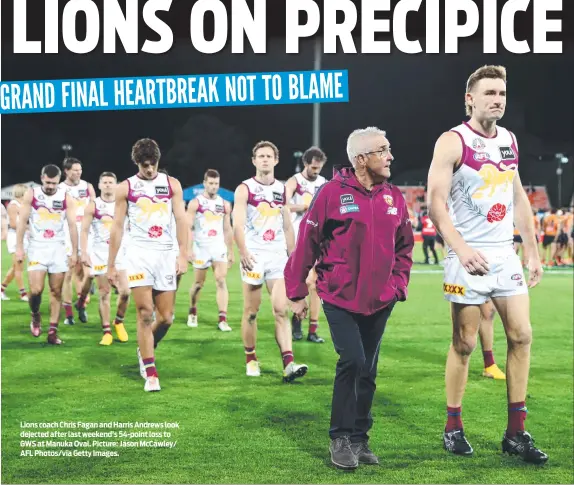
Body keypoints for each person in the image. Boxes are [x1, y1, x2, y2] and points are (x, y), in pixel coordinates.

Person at [427, 65, 547, 463]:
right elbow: (436, 203)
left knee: (522, 336)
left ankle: (516, 432)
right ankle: (453, 426)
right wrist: (460, 249)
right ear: (470, 98)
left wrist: (530, 249)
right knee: (464, 342)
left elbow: (518, 199)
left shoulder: (509, 141)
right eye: (490, 93)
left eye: (502, 93)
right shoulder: (452, 141)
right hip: (467, 253)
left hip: (502, 254)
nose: (497, 99)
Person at [285, 127, 414, 470]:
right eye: (382, 151)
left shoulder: (394, 197)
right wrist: (296, 291)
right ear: (360, 159)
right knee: (353, 361)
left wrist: (398, 285)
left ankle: (360, 437)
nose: (390, 156)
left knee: (368, 371)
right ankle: (340, 437)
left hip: (380, 300)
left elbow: (405, 246)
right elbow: (307, 242)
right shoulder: (330, 193)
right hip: (338, 296)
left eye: (389, 149)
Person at [107, 138, 188, 392]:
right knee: (144, 313)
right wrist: (111, 265)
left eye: (153, 164)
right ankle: (151, 372)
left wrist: (183, 254)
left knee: (166, 318)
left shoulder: (171, 185)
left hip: (165, 254)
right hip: (139, 254)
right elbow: (117, 227)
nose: (150, 170)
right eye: (145, 166)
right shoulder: (126, 188)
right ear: (137, 164)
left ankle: (144, 350)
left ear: (158, 161)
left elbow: (181, 219)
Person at [232, 140, 308, 382]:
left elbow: (287, 225)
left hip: (277, 256)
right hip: (254, 255)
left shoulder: (282, 189)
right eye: (260, 156)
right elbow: (237, 223)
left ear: (276, 160)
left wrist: (294, 258)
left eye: (269, 156)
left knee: (280, 310)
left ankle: (289, 364)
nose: (264, 159)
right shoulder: (245, 189)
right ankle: (251, 357)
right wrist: (243, 251)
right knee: (251, 312)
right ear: (254, 161)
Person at [15, 165, 78, 345]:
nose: (50, 186)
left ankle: (52, 331)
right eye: (48, 182)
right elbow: (22, 222)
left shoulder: (66, 198)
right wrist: (20, 247)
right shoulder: (32, 194)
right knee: (35, 291)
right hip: (37, 247)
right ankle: (35, 315)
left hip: (58, 248)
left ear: (59, 181)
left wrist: (74, 252)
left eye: (54, 183)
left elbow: (73, 226)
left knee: (56, 291)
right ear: (42, 178)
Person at [79, 172, 130, 345]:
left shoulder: (123, 205)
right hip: (100, 254)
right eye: (105, 182)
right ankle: (107, 331)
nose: (108, 185)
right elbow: (84, 230)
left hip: (121, 254)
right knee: (104, 293)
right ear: (99, 185)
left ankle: (119, 321)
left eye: (111, 182)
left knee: (125, 292)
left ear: (116, 185)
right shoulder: (93, 206)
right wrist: (84, 251)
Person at [284, 147, 327, 343]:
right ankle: (297, 319)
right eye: (313, 168)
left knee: (316, 284)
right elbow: (282, 206)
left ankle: (313, 329)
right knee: (303, 281)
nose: (316, 172)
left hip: (317, 238)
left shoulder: (323, 183)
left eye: (319, 169)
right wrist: (303, 207)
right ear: (306, 164)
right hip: (297, 238)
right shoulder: (294, 182)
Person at [186, 169, 234, 331]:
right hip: (200, 248)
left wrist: (231, 251)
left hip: (218, 248)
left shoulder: (225, 204)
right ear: (205, 183)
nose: (214, 187)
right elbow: (188, 226)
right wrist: (188, 249)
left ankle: (222, 319)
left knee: (221, 280)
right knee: (199, 284)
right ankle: (192, 311)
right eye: (211, 183)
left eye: (216, 184)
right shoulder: (195, 203)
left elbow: (227, 229)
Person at [59, 157, 96, 325]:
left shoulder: (87, 187)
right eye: (75, 170)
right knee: (68, 273)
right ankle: (69, 315)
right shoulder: (60, 189)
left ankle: (80, 303)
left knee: (88, 274)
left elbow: (96, 207)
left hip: (88, 234)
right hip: (66, 234)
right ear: (66, 171)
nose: (78, 173)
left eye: (80, 170)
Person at [2, 184, 30, 301]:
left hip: (22, 237)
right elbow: (13, 224)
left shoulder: (22, 205)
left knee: (16, 267)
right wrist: (28, 227)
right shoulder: (13, 206)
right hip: (15, 238)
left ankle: (2, 288)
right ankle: (23, 293)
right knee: (19, 267)